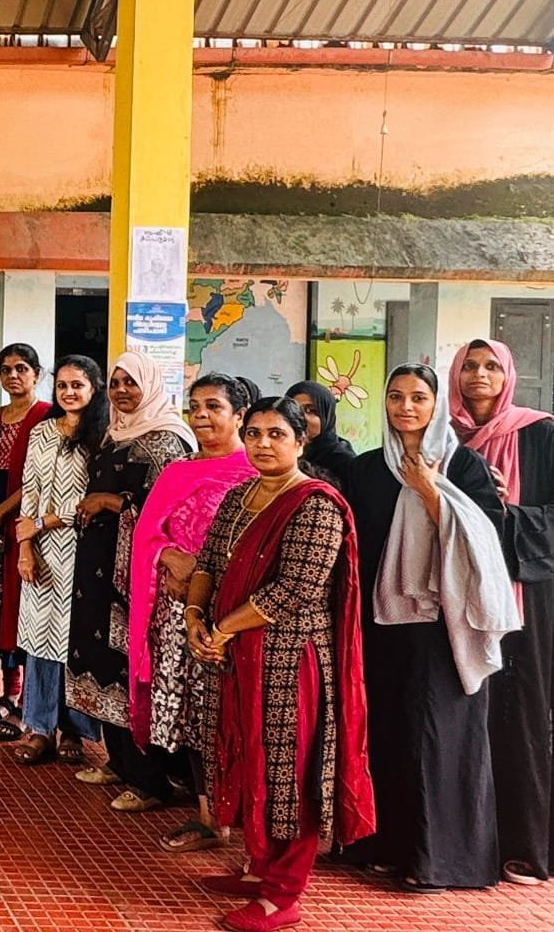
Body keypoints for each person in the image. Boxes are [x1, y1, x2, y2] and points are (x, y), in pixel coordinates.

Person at [186, 397, 375, 932]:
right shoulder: (239, 497)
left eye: (276, 434)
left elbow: (295, 589)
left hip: (290, 661)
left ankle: (283, 895)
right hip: (235, 656)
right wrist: (196, 617)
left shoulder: (316, 504)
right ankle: (259, 868)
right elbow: (207, 564)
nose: (263, 444)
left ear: (300, 441)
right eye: (254, 433)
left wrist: (222, 629)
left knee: (288, 769)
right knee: (247, 756)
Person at [342, 363, 517, 891]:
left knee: (437, 735)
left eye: (418, 397)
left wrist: (429, 491)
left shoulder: (464, 465)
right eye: (395, 396)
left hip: (444, 623)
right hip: (382, 622)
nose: (406, 407)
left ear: (437, 404)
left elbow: (489, 540)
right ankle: (384, 846)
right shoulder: (368, 468)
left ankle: (438, 860)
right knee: (387, 730)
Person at [129, 373, 257, 851]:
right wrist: (167, 556)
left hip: (236, 615)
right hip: (178, 615)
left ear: (239, 416)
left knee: (230, 712)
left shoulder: (257, 472)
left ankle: (241, 814)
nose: (201, 416)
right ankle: (208, 815)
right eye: (195, 406)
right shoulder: (176, 472)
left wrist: (204, 575)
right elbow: (147, 534)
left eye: (213, 407)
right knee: (192, 714)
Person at [66, 350, 195, 812]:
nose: (121, 391)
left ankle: (150, 779)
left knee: (132, 664)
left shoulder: (168, 441)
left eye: (131, 383)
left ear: (151, 386)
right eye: (116, 383)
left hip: (137, 573)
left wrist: (109, 502)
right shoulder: (114, 433)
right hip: (98, 565)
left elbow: (170, 512)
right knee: (102, 657)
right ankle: (119, 762)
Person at [450, 338, 554, 886]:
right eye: (469, 365)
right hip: (457, 592)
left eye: (492, 366)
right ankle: (469, 844)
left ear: (508, 374)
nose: (479, 375)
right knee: (467, 714)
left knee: (522, 712)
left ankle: (527, 844)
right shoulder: (442, 436)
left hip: (523, 595)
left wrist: (502, 512)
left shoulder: (541, 433)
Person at [7, 354, 107, 764]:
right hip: (42, 551)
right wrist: (25, 547)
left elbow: (91, 501)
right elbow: (29, 490)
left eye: (77, 385)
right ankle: (39, 727)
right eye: (62, 385)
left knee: (74, 640)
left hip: (84, 550)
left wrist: (43, 522)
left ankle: (75, 731)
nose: (68, 392)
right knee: (39, 638)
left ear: (94, 389)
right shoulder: (43, 431)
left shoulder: (105, 435)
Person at [0, 343, 51, 740]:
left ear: (37, 373)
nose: (13, 376)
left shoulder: (47, 417)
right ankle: (9, 695)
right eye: (6, 370)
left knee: (26, 607)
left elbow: (38, 477)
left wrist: (0, 513)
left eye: (22, 368)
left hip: (27, 519)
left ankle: (30, 706)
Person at [285, 380, 356, 486]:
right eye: (294, 411)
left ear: (326, 416)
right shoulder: (282, 452)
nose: (301, 418)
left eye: (311, 410)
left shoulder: (344, 463)